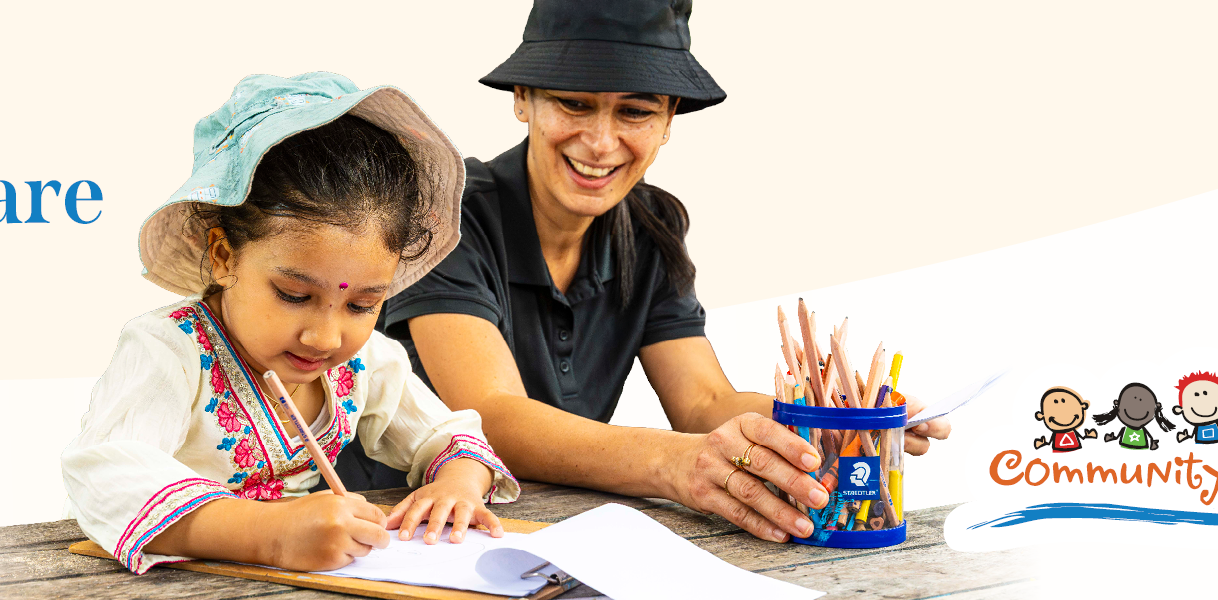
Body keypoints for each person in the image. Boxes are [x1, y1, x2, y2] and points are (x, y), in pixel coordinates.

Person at [332, 0, 950, 543]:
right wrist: (674, 464)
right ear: (523, 99)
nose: (601, 143)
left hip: (559, 532)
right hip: (402, 529)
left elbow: (706, 400)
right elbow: (491, 414)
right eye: (574, 104)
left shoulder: (653, 226)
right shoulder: (449, 213)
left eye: (635, 112)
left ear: (669, 120)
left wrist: (832, 420)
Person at [61, 73, 519, 575]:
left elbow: (446, 433)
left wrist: (458, 485)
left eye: (362, 305)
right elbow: (106, 475)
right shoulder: (168, 349)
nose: (325, 336)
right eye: (294, 295)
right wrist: (272, 535)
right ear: (222, 256)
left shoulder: (365, 360)